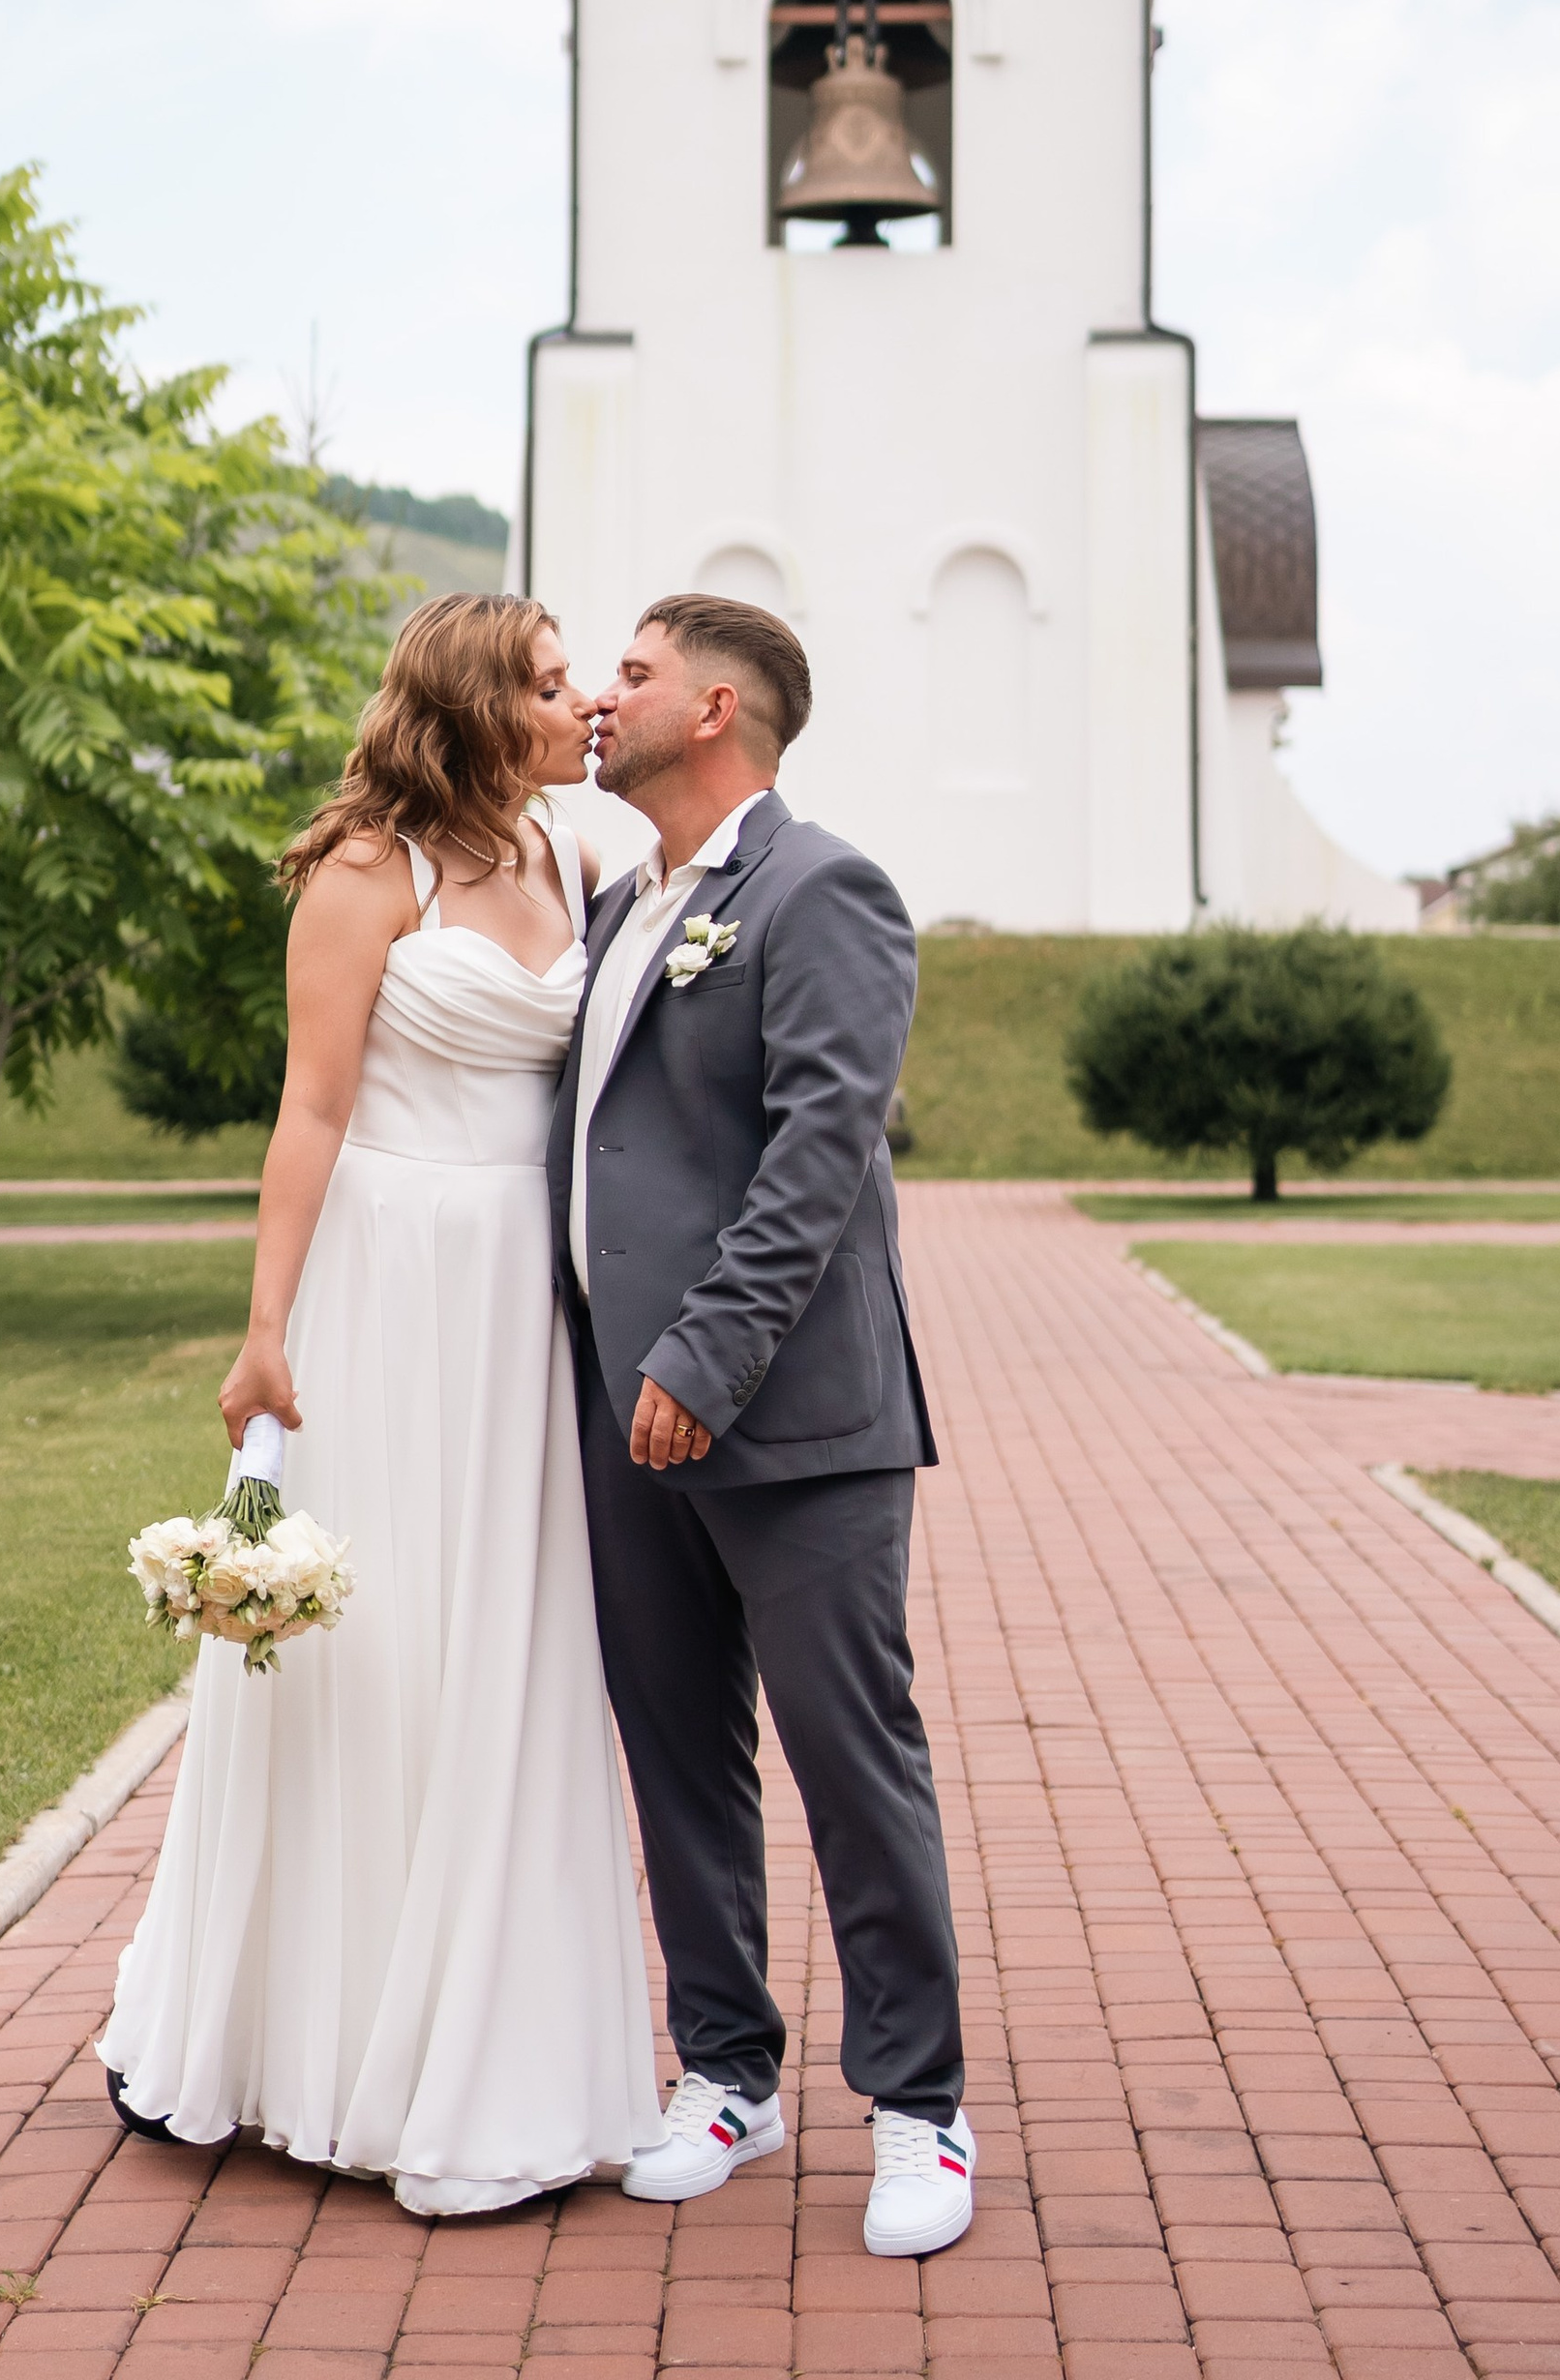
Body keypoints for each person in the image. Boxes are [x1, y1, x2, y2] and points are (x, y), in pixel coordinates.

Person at [97, 596, 661, 2216]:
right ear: (477, 709)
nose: (580, 710)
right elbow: (312, 1106)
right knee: (382, 1655)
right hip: (387, 1287)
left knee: (511, 1651)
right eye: (551, 687)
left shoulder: (574, 865)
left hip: (521, 1308)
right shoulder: (367, 874)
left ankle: (493, 2051)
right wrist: (265, 1332)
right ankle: (298, 2043)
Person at [551, 595, 974, 2260]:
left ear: (717, 705)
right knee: (677, 1756)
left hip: (787, 1418)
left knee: (848, 1756)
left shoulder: (822, 888)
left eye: (635, 672)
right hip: (619, 1410)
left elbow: (817, 1157)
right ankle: (729, 2070)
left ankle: (924, 2109)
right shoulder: (615, 900)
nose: (605, 693)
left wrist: (701, 1362)